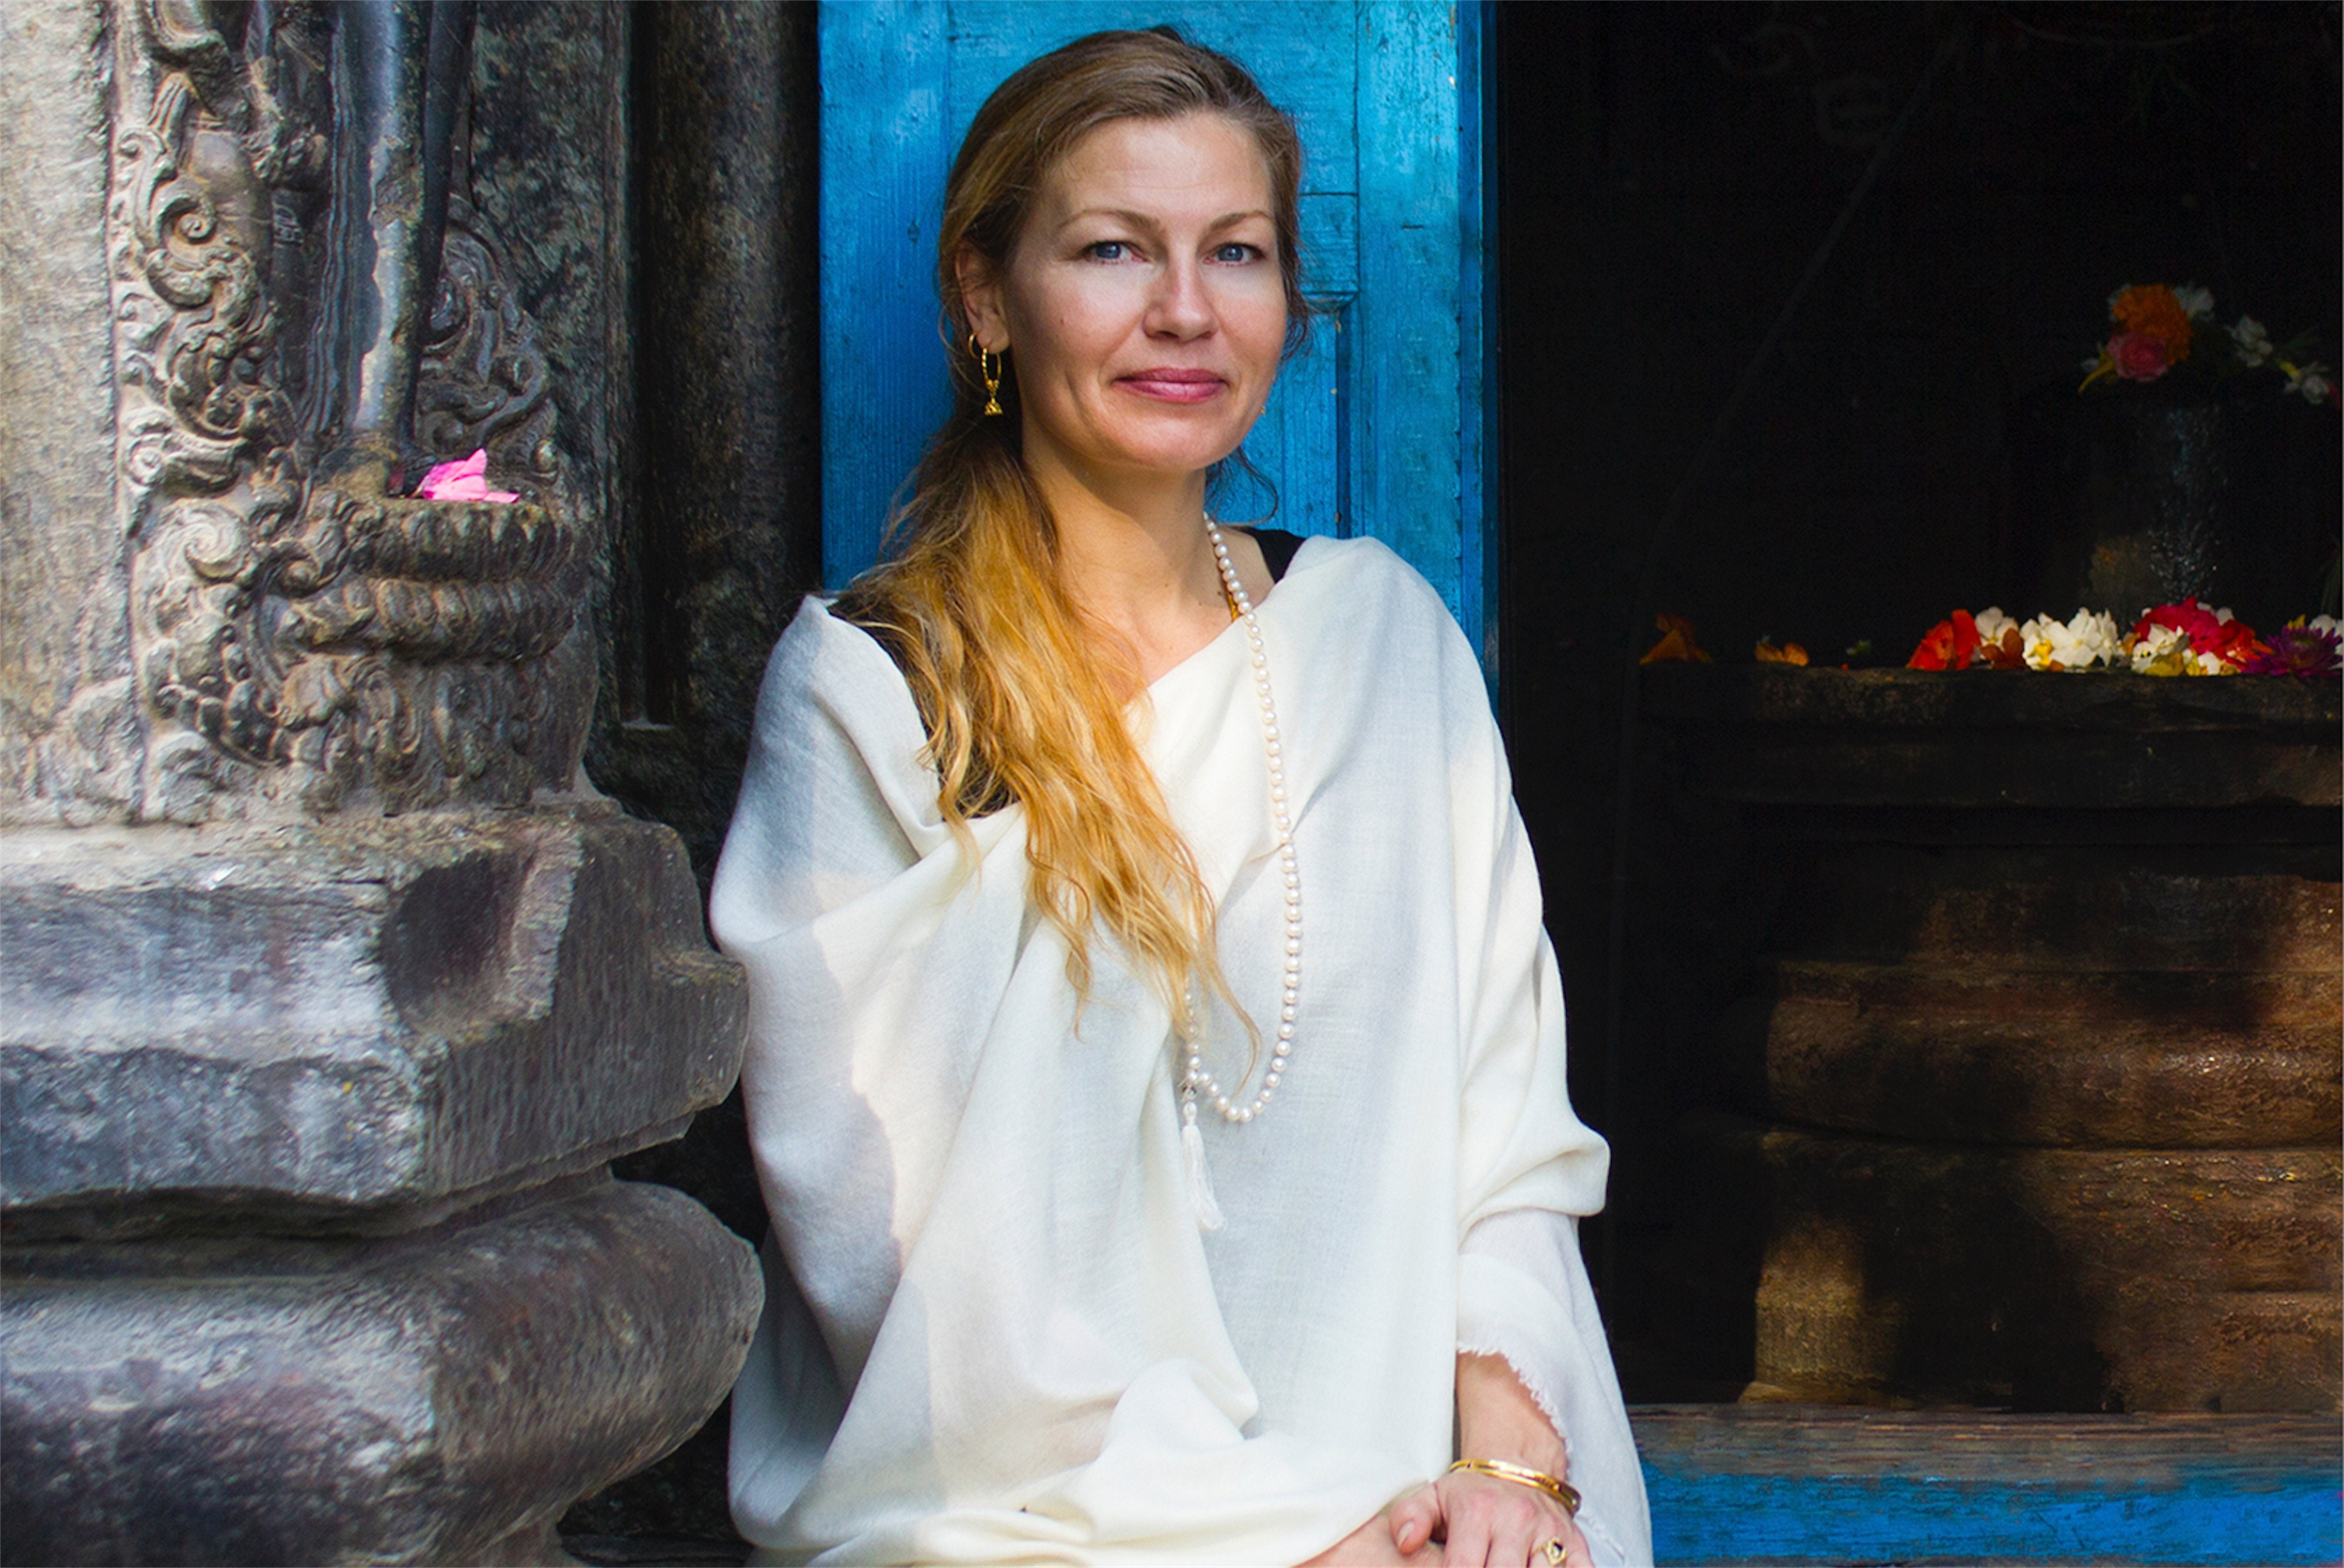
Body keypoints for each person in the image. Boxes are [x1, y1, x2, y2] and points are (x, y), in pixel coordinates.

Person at [710, 28, 1652, 1568]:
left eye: (1237, 251)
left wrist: (1502, 1465)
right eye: (1110, 249)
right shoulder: (881, 695)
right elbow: (897, 1268)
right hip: (1025, 1526)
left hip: (1420, 1496)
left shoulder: (1383, 647)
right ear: (983, 295)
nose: (1185, 312)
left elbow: (1505, 1135)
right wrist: (1286, 1546)